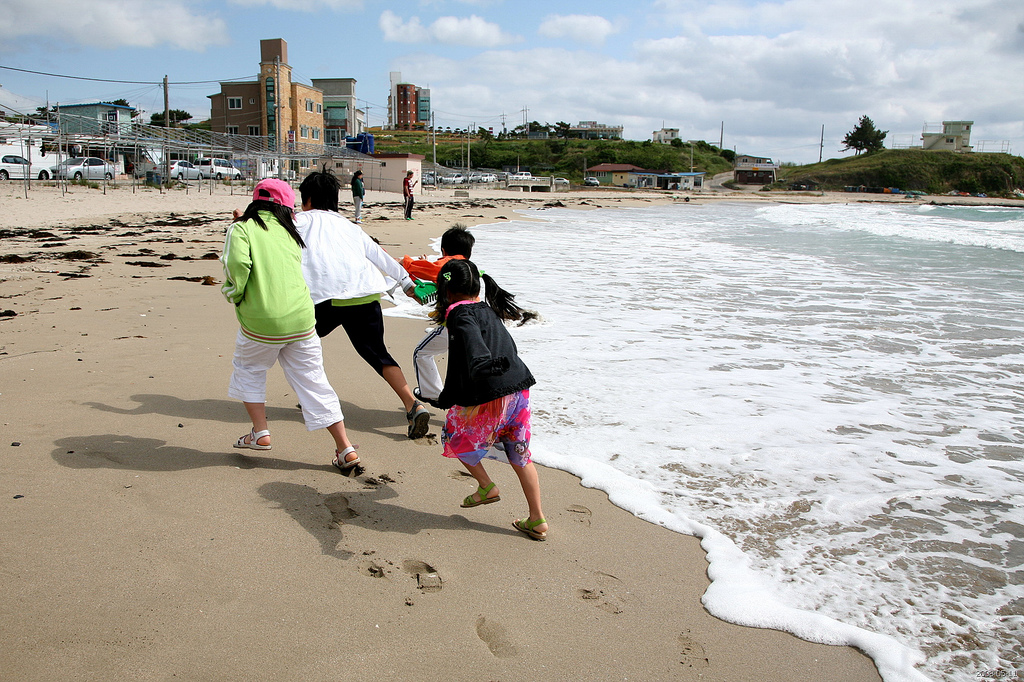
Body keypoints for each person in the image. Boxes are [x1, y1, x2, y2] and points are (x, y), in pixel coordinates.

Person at [220, 178, 360, 473]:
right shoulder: (290, 231)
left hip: (262, 320)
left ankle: (260, 432)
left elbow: (238, 266)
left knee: (250, 369)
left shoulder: (242, 228)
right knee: (313, 379)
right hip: (301, 318)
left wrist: (236, 294)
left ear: (254, 201)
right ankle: (344, 447)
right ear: (286, 207)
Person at [295, 169, 431, 439]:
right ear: (334, 200)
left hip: (323, 298)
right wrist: (407, 285)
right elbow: (380, 257)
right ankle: (412, 404)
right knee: (378, 354)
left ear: (307, 198)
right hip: (365, 294)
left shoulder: (296, 221)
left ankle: (316, 398)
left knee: (299, 345)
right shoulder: (350, 227)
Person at [433, 258, 547, 541]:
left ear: (446, 290)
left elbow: (473, 350)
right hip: (519, 390)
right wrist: (449, 394)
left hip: (491, 392)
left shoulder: (458, 314)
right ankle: (537, 519)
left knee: (453, 434)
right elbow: (503, 347)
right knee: (520, 454)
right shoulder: (487, 309)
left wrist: (484, 365)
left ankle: (486, 486)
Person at [398, 225, 475, 406]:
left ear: (444, 250)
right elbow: (435, 274)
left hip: (453, 324)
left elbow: (433, 269)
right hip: (477, 321)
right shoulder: (469, 268)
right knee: (468, 364)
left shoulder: (449, 265)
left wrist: (406, 262)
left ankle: (432, 394)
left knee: (421, 353)